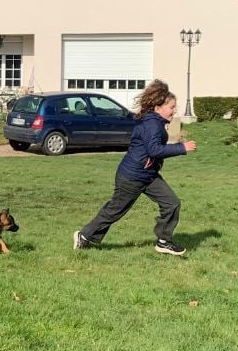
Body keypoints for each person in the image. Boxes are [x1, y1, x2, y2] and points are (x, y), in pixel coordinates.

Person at [74, 79, 196, 255]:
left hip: (147, 175)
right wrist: (181, 148)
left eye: (175, 107)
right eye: (171, 107)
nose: (174, 110)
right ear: (157, 107)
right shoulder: (152, 124)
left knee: (172, 203)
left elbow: (151, 147)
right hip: (132, 176)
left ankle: (164, 241)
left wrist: (175, 144)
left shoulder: (154, 122)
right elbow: (154, 150)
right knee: (116, 210)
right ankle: (84, 236)